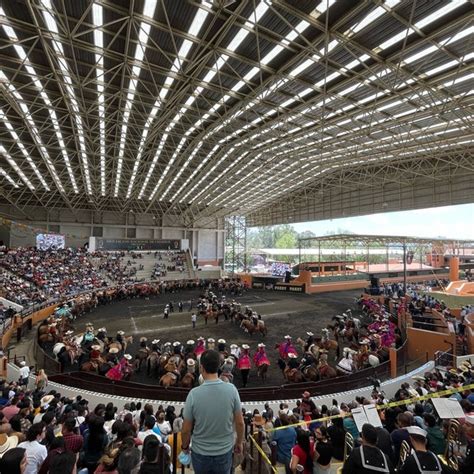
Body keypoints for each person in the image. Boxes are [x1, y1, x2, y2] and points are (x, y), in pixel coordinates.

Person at [181, 349, 244, 474]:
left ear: (201, 367)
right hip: (224, 451)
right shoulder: (232, 390)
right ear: (219, 367)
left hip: (200, 452)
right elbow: (240, 423)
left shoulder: (193, 394)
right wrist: (239, 443)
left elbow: (186, 429)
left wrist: (184, 447)